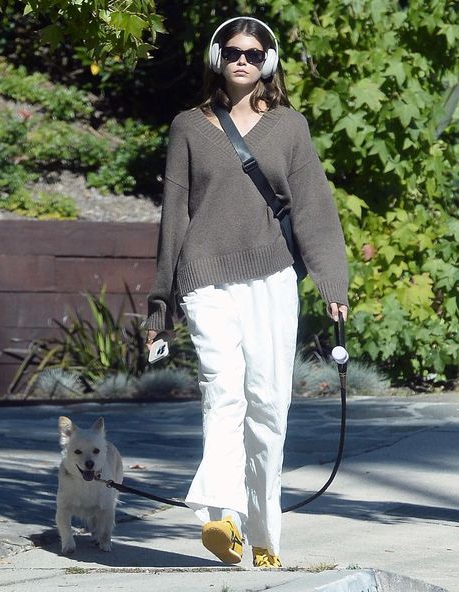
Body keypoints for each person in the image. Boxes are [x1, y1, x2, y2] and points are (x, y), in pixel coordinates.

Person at [145, 16, 349, 568]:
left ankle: (264, 537)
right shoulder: (188, 127)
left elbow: (314, 210)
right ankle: (222, 521)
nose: (242, 60)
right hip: (205, 279)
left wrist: (332, 281)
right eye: (233, 51)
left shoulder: (289, 127)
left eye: (254, 54)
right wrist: (161, 305)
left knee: (268, 406)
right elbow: (175, 218)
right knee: (222, 392)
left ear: (269, 62)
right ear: (217, 57)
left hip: (270, 279)